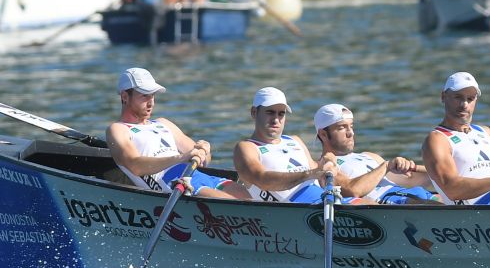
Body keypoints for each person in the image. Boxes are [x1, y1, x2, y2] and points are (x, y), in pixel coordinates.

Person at [108, 67, 243, 199]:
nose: (151, 103)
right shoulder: (118, 129)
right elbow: (135, 165)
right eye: (144, 96)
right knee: (239, 204)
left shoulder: (163, 123)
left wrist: (204, 150)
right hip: (175, 184)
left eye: (153, 95)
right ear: (125, 96)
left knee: (249, 197)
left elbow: (204, 160)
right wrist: (181, 158)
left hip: (197, 176)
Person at [420, 72, 490, 205]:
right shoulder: (437, 139)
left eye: (470, 99)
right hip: (476, 211)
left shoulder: (485, 132)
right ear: (443, 96)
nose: (464, 104)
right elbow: (452, 189)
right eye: (458, 97)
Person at [313, 103, 435, 204]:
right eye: (341, 128)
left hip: (413, 193)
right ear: (323, 134)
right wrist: (386, 166)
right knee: (431, 205)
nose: (351, 133)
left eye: (351, 126)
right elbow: (353, 190)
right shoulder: (325, 166)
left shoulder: (369, 156)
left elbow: (411, 180)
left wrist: (441, 170)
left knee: (446, 196)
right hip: (394, 202)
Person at [232, 88, 336, 203]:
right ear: (254, 112)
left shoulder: (295, 140)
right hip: (298, 207)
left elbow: (318, 174)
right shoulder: (246, 147)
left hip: (323, 199)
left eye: (281, 114)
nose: (276, 119)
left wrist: (327, 162)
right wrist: (309, 174)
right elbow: (262, 179)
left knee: (359, 202)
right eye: (270, 112)